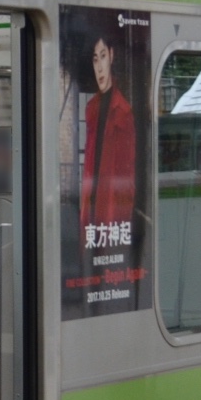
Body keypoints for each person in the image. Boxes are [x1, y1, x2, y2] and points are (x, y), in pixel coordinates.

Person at [78, 32, 136, 249]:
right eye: (95, 59)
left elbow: (126, 180)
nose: (99, 68)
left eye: (103, 56)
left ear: (111, 56)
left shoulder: (123, 112)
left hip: (111, 214)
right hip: (92, 208)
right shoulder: (91, 108)